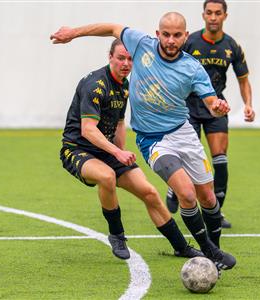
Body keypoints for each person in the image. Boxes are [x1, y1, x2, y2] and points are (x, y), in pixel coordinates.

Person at [51, 12, 236, 270]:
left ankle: (194, 248)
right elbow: (111, 26)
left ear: (185, 36)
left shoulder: (181, 70)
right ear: (157, 34)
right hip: (128, 143)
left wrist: (217, 107)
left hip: (181, 134)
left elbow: (210, 102)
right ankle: (120, 235)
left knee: (196, 196)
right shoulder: (116, 67)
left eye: (177, 35)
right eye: (166, 34)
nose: (171, 40)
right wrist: (73, 33)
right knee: (182, 192)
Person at [59, 39, 203, 260]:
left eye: (130, 59)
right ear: (110, 57)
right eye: (120, 58)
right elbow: (88, 130)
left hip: (107, 151)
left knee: (150, 193)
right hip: (77, 150)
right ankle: (117, 235)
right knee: (106, 176)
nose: (126, 63)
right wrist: (117, 153)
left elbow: (118, 123)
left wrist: (122, 152)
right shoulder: (95, 85)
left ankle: (181, 246)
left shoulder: (125, 85)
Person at [166, 0, 255, 229]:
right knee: (187, 157)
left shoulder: (231, 46)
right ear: (203, 15)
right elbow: (171, 68)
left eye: (218, 13)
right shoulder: (190, 41)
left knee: (221, 161)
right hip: (189, 108)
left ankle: (217, 212)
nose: (213, 17)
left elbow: (243, 80)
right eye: (209, 13)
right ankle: (174, 188)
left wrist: (248, 104)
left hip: (216, 107)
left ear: (225, 16)